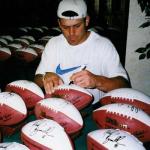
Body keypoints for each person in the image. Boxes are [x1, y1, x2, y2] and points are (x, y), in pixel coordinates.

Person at [34, 0, 130, 106]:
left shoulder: (103, 45)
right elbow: (37, 79)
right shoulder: (53, 44)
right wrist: (45, 77)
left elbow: (124, 85)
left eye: (77, 26)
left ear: (87, 21)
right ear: (59, 24)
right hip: (59, 105)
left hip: (92, 108)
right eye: (65, 27)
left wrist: (97, 81)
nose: (71, 33)